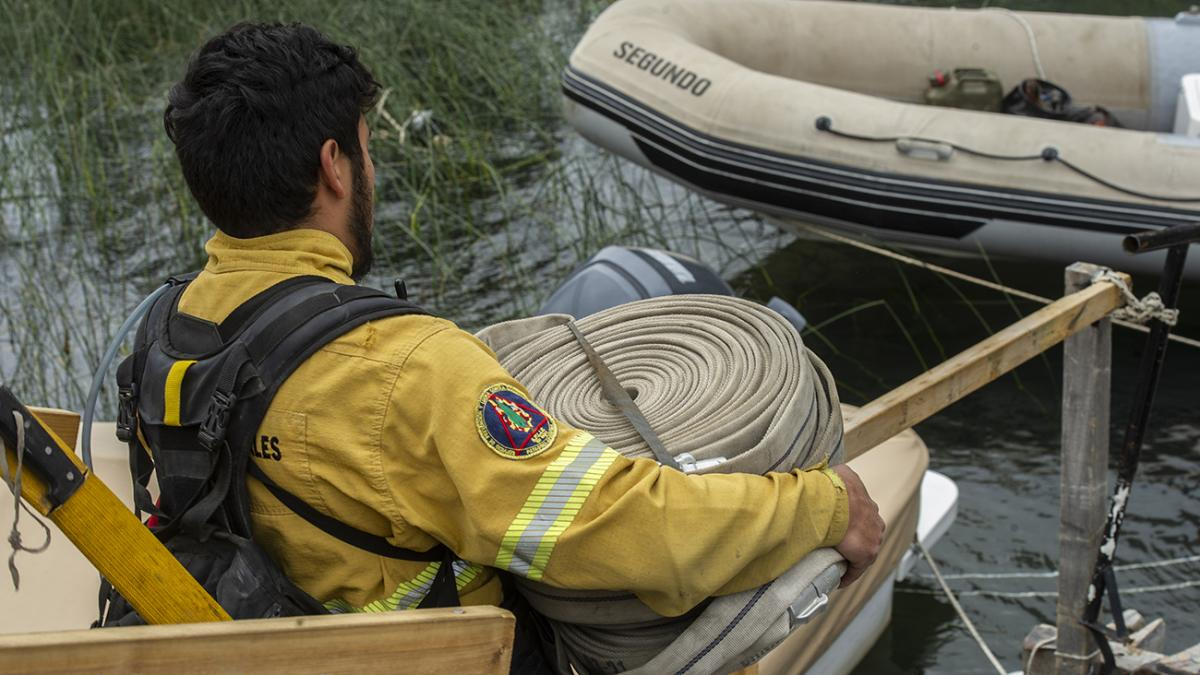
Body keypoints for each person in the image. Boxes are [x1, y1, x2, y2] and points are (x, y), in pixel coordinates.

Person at [162, 21, 884, 672]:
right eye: (367, 150)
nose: (372, 172)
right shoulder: (406, 371)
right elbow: (613, 527)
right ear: (335, 166)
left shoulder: (171, 333)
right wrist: (822, 508)